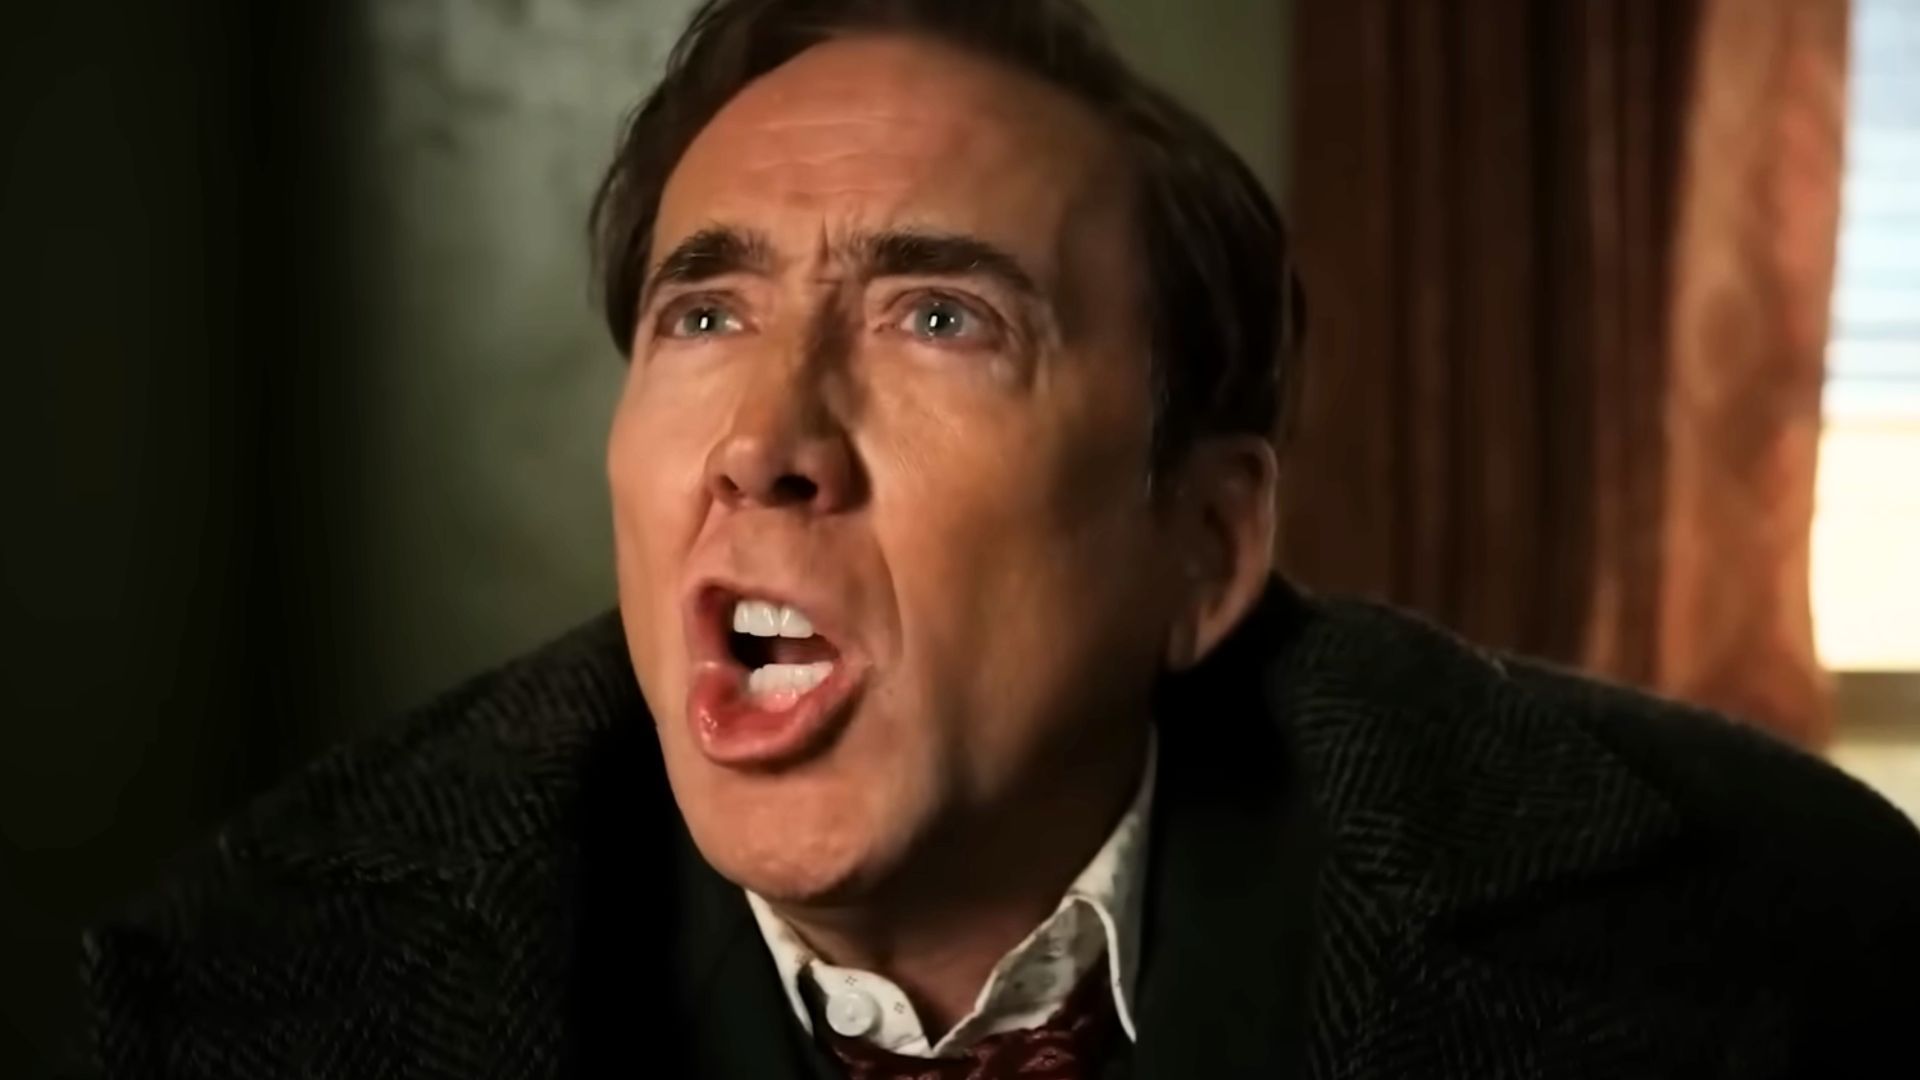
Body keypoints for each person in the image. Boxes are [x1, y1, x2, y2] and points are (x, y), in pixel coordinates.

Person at [83, 0, 1920, 1076]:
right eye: (704, 314)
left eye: (939, 317)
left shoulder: (1783, 948)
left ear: (1204, 547)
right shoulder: (244, 995)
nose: (768, 447)